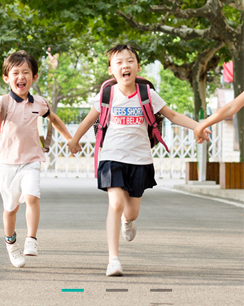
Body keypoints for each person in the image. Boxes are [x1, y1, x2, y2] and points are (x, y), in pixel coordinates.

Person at [68, 44, 209, 276]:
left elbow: (172, 115)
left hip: (140, 160)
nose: (125, 65)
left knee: (131, 212)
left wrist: (198, 127)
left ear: (138, 66)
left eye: (130, 61)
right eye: (119, 62)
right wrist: (75, 140)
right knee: (115, 204)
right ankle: (113, 259)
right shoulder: (106, 95)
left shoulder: (147, 94)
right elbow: (88, 120)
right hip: (111, 157)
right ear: (111, 70)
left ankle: (128, 221)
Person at [0, 50, 74, 268]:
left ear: (34, 77)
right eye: (15, 72)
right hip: (8, 164)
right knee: (10, 209)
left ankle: (31, 240)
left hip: (32, 161)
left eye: (26, 72)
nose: (21, 77)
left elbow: (53, 119)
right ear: (6, 77)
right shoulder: (4, 101)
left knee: (32, 196)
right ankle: (11, 244)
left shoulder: (40, 103)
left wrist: (69, 138)